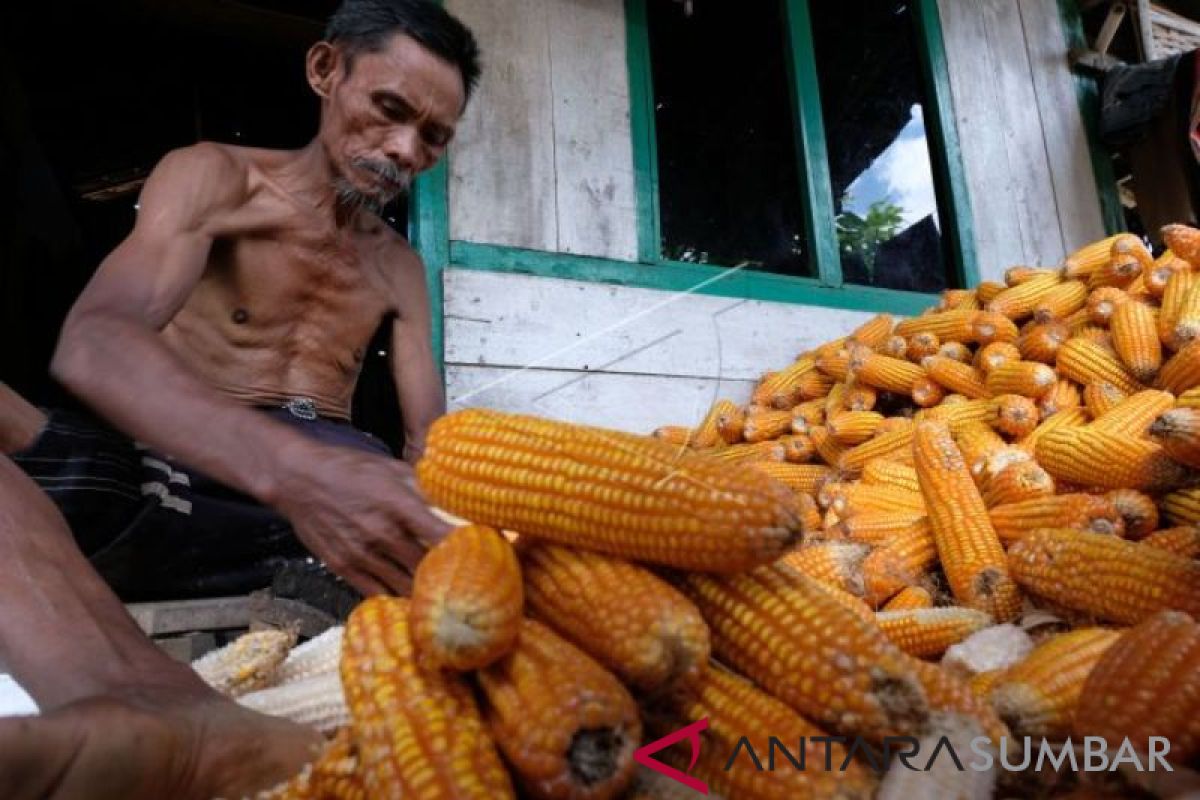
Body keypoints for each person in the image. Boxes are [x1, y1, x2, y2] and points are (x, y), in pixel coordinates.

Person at [0, 0, 480, 795]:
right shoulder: (215, 176)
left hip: (326, 489)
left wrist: (438, 525)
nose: (404, 149)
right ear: (326, 71)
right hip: (185, 465)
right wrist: (293, 474)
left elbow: (427, 440)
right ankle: (140, 697)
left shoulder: (399, 266)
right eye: (389, 110)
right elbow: (96, 339)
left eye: (434, 137)